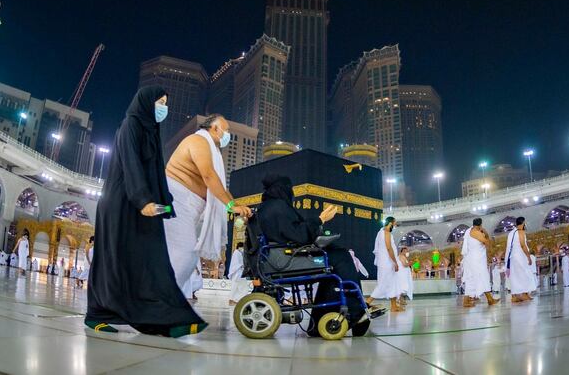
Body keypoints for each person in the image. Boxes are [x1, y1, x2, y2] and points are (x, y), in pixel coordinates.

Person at [85, 86, 205, 337]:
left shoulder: (151, 130)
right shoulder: (131, 125)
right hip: (122, 203)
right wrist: (143, 200)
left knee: (151, 259)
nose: (163, 107)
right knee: (114, 259)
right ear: (145, 102)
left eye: (164, 102)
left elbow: (154, 171)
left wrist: (164, 201)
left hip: (143, 203)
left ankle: (162, 318)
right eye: (158, 102)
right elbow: (131, 164)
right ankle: (97, 314)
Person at [255, 174, 372, 335]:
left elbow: (292, 233)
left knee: (333, 263)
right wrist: (320, 219)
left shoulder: (268, 207)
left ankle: (319, 324)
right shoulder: (277, 207)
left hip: (284, 256)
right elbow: (298, 235)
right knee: (341, 258)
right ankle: (355, 311)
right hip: (286, 260)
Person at [163, 114, 253, 297]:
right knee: (186, 254)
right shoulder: (198, 141)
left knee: (184, 255)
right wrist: (230, 206)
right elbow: (209, 176)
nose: (227, 134)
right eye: (226, 130)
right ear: (214, 128)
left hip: (190, 207)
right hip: (176, 200)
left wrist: (236, 205)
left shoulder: (213, 151)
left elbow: (219, 185)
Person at [367, 216, 403, 312]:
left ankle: (394, 306)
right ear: (390, 223)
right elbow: (388, 248)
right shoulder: (386, 233)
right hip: (387, 263)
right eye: (395, 223)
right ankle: (366, 303)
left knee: (392, 283)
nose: (395, 225)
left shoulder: (380, 232)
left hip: (386, 263)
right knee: (382, 284)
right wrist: (395, 262)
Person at [461, 218, 498, 307]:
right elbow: (487, 242)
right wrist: (485, 233)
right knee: (483, 277)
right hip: (477, 260)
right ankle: (490, 299)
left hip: (470, 259)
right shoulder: (477, 233)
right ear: (480, 225)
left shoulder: (469, 231)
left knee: (471, 279)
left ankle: (467, 301)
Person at [505, 217, 532, 303]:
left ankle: (515, 296)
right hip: (520, 257)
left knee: (515, 276)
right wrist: (528, 256)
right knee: (524, 274)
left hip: (512, 258)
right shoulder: (520, 232)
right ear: (523, 223)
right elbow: (523, 245)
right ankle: (524, 294)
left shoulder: (511, 233)